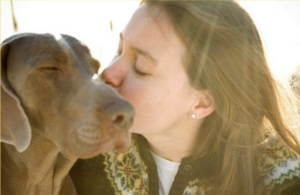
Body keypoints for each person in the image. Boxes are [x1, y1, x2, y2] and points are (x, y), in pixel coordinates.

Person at [70, 1, 300, 194]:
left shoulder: (285, 183)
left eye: (140, 67)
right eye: (119, 50)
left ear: (202, 103)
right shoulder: (76, 154)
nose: (107, 72)